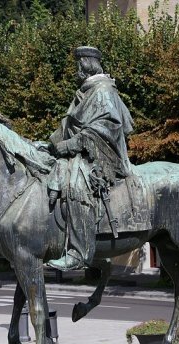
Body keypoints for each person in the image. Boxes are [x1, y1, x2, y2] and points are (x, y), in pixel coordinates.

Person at [46, 46, 134, 271]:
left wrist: (68, 145)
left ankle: (79, 252)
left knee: (76, 185)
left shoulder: (103, 91)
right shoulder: (86, 90)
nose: (76, 69)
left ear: (87, 65)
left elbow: (103, 128)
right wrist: (49, 145)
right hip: (80, 151)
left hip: (103, 156)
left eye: (79, 64)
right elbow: (68, 125)